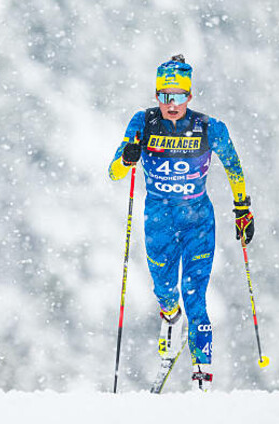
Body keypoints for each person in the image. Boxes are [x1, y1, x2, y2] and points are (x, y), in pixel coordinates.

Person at [108, 54, 254, 392]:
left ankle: (202, 373)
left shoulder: (209, 128)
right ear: (156, 95)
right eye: (164, 96)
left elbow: (233, 166)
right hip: (159, 221)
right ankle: (171, 321)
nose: (171, 104)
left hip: (197, 222)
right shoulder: (143, 123)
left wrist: (242, 209)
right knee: (165, 292)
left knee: (196, 297)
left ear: (189, 95)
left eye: (177, 96)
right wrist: (127, 158)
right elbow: (114, 172)